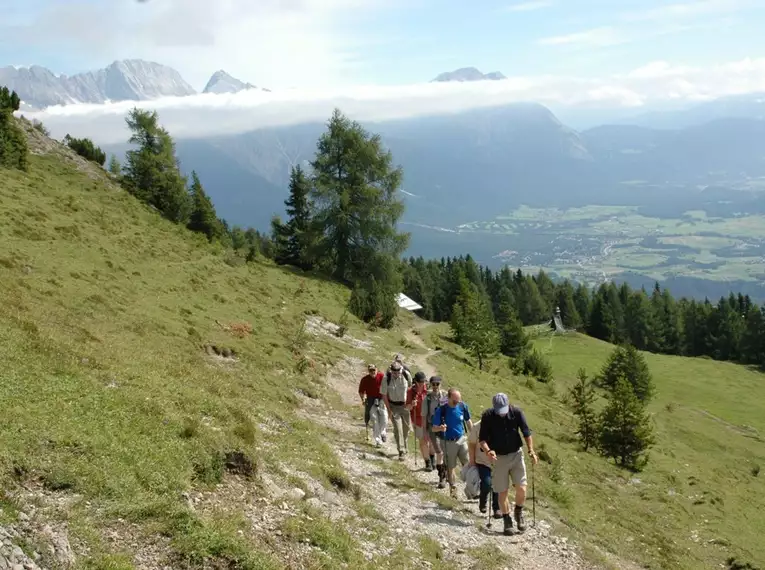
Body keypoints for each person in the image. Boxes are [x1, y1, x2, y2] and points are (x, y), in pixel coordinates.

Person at [478, 393, 539, 536]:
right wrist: (488, 451)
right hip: (499, 457)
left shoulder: (516, 412)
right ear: (494, 407)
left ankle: (518, 512)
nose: (502, 414)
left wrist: (531, 450)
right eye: (499, 410)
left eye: (503, 410)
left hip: (516, 454)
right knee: (502, 491)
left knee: (522, 488)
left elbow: (526, 432)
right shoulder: (487, 416)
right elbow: (482, 440)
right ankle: (507, 520)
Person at [432, 388, 472, 498]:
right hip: (448, 442)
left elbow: (468, 421)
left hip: (461, 439)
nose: (457, 403)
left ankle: (472, 489)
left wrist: (473, 435)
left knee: (468, 464)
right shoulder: (441, 410)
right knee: (451, 467)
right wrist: (440, 428)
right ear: (448, 398)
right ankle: (453, 490)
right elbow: (433, 429)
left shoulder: (462, 406)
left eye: (459, 400)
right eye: (455, 401)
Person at [468, 418, 501, 519]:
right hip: (482, 461)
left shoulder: (500, 425)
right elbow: (472, 444)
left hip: (498, 462)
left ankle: (496, 508)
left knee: (498, 484)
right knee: (487, 483)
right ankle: (483, 500)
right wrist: (472, 460)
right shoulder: (477, 427)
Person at [381, 361, 412, 460]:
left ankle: (404, 445)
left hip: (405, 406)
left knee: (406, 429)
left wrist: (410, 403)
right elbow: (384, 395)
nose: (396, 374)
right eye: (394, 372)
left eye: (397, 372)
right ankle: (401, 451)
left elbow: (410, 388)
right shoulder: (386, 379)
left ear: (401, 370)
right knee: (398, 429)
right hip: (393, 406)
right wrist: (389, 409)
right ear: (391, 370)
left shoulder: (406, 375)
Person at [422, 376, 448, 487]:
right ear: (430, 385)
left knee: (446, 452)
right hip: (433, 427)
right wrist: (424, 432)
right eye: (433, 384)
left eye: (437, 384)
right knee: (439, 451)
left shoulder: (446, 396)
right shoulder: (427, 398)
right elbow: (424, 416)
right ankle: (441, 477)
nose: (435, 386)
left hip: (446, 427)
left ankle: (445, 472)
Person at [406, 371, 431, 469]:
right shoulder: (410, 391)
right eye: (420, 382)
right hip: (417, 419)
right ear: (415, 381)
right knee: (423, 440)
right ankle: (427, 461)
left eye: (423, 382)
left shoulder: (428, 390)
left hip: (429, 419)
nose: (422, 384)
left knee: (430, 441)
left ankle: (432, 458)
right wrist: (412, 405)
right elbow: (407, 408)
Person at [358, 364, 387, 447]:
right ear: (368, 371)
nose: (372, 372)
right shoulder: (365, 379)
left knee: (384, 417)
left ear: (377, 369)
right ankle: (378, 441)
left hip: (381, 398)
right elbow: (361, 391)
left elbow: (387, 387)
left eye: (374, 370)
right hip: (370, 399)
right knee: (374, 419)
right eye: (370, 370)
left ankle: (383, 432)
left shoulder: (382, 376)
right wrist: (363, 399)